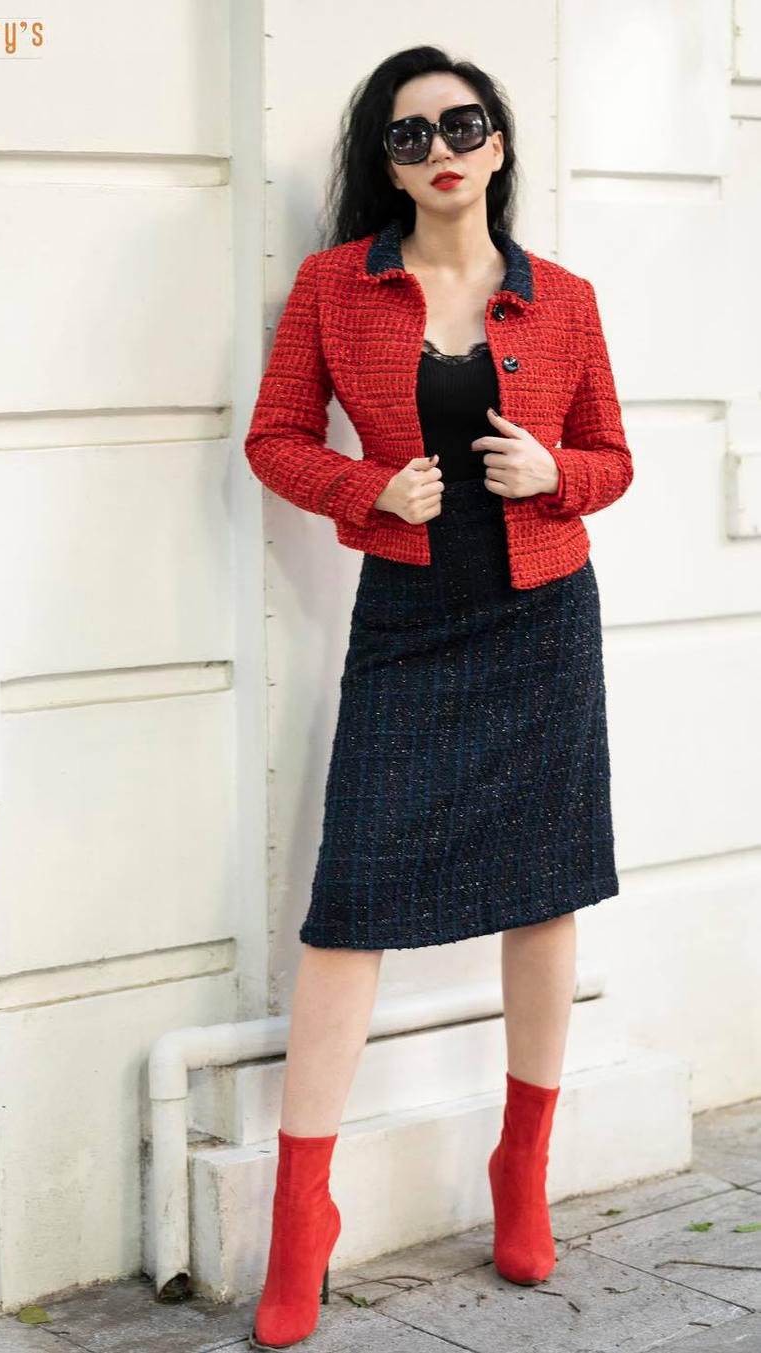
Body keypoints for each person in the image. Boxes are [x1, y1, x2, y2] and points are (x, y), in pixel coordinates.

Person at [243, 45, 633, 1351]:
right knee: (351, 904)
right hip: (407, 626)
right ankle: (303, 1215)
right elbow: (276, 439)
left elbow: (614, 457)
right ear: (388, 163)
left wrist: (557, 473)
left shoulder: (563, 299)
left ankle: (522, 1167)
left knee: (544, 887)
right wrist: (368, 489)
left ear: (499, 144)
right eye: (410, 136)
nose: (441, 150)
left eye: (463, 126)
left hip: (542, 622)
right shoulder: (334, 288)